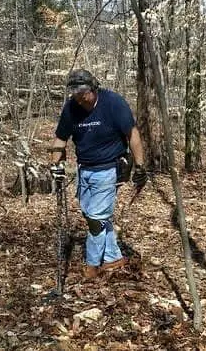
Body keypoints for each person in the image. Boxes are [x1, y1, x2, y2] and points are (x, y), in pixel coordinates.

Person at [50, 69, 148, 279]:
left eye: (84, 93)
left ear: (94, 89)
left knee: (96, 218)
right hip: (84, 169)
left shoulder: (113, 103)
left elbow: (133, 134)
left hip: (109, 168)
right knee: (91, 215)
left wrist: (140, 166)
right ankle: (113, 257)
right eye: (76, 94)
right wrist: (55, 166)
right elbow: (60, 139)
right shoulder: (71, 108)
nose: (80, 98)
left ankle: (92, 265)